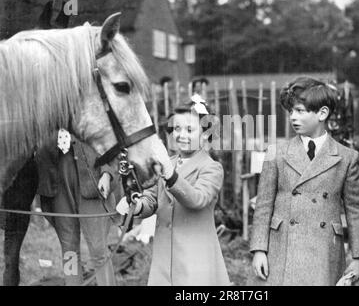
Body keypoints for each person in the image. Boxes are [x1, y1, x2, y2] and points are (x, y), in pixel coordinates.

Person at [249, 77, 359, 286]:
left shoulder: (347, 157)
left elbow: (356, 211)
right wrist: (259, 249)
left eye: (301, 111)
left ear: (322, 113)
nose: (293, 117)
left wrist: (358, 257)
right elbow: (263, 206)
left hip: (323, 251)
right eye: (291, 111)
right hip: (281, 248)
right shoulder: (276, 153)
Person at [130, 94, 230, 286]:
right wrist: (136, 204)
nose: (181, 135)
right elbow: (152, 200)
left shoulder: (211, 168)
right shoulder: (169, 164)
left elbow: (197, 200)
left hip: (195, 260)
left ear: (206, 134)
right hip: (164, 260)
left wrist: (171, 175)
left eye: (190, 130)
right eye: (177, 128)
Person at [35, 131, 118, 286]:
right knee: (69, 251)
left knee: (98, 249)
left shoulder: (89, 109)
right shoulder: (41, 111)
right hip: (57, 184)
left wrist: (107, 173)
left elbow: (108, 142)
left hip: (92, 182)